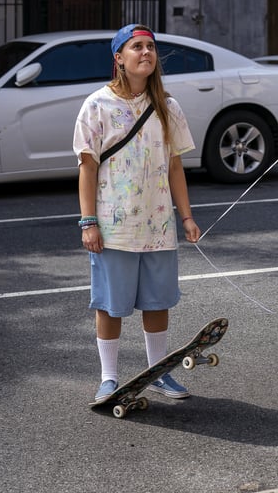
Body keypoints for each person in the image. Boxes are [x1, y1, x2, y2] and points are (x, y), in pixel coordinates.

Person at [73, 23, 201, 402]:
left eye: (151, 47)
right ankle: (109, 378)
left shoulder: (168, 107)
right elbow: (88, 167)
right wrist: (88, 222)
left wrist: (187, 217)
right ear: (119, 59)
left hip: (158, 226)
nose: (146, 52)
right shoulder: (97, 105)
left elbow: (175, 167)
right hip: (114, 228)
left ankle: (158, 372)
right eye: (137, 47)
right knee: (111, 305)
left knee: (157, 301)